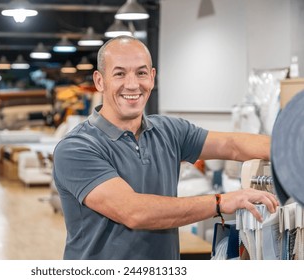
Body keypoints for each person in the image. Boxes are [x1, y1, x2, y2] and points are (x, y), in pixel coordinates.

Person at [53, 35, 279, 260]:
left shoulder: (169, 130)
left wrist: (290, 151)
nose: (132, 84)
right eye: (120, 73)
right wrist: (221, 202)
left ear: (152, 77)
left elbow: (232, 145)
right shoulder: (76, 147)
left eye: (141, 73)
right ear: (100, 81)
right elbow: (134, 211)